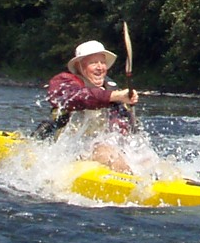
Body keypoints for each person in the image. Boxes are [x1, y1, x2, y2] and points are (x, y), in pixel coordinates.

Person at [35, 39, 139, 171]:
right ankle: (129, 183)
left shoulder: (112, 89)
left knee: (142, 159)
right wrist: (115, 96)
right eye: (93, 63)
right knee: (106, 151)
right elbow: (80, 98)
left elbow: (122, 130)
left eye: (102, 62)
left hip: (106, 147)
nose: (100, 67)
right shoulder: (64, 82)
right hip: (69, 150)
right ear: (79, 66)